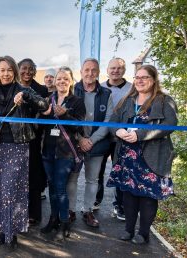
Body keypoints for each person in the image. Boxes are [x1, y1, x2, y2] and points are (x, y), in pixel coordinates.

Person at [0, 55, 48, 248]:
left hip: (17, 146)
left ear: (14, 72)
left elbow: (44, 106)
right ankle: (3, 229)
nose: (5, 73)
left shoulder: (24, 90)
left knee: (12, 190)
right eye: (2, 70)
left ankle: (12, 232)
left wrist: (27, 96)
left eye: (9, 70)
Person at [107, 64, 177, 244]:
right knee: (129, 194)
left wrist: (139, 135)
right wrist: (118, 131)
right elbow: (112, 121)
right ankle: (128, 230)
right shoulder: (127, 100)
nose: (139, 80)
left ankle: (143, 233)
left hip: (152, 157)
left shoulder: (164, 100)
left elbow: (169, 125)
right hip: (127, 156)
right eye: (137, 77)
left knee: (147, 196)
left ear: (153, 80)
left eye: (144, 77)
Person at [67, 58, 113, 228]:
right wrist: (80, 139)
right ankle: (70, 210)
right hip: (74, 143)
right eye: (87, 70)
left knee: (92, 180)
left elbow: (108, 122)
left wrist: (91, 140)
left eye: (94, 70)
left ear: (98, 73)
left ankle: (88, 211)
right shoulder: (72, 90)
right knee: (72, 179)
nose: (90, 73)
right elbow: (68, 118)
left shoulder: (106, 94)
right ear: (81, 72)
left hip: (97, 144)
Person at [40, 67, 86, 239]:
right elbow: (41, 124)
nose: (61, 81)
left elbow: (79, 127)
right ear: (54, 81)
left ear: (71, 81)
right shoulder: (47, 100)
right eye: (59, 78)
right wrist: (43, 113)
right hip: (48, 150)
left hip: (65, 151)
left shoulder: (77, 101)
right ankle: (53, 219)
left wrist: (66, 114)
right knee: (51, 187)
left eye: (65, 79)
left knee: (60, 188)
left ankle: (65, 222)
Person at [93, 57, 132, 221]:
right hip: (102, 136)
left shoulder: (132, 88)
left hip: (121, 138)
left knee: (121, 172)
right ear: (107, 70)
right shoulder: (99, 87)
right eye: (112, 68)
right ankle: (96, 200)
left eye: (119, 68)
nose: (115, 71)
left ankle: (119, 206)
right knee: (98, 171)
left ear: (124, 70)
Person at [18, 58, 48, 225]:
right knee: (17, 176)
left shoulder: (41, 89)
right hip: (15, 139)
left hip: (34, 138)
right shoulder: (13, 87)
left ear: (35, 72)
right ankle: (18, 211)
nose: (27, 72)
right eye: (24, 68)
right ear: (18, 69)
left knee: (33, 176)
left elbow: (43, 110)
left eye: (31, 69)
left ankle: (34, 214)